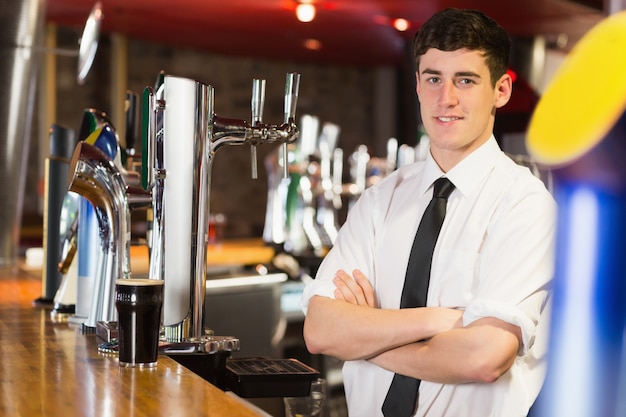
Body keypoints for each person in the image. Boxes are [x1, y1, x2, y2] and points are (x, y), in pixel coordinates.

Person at [300, 8, 556, 417]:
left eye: (466, 81)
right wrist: (440, 320)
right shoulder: (379, 202)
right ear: (418, 84)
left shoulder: (525, 206)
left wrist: (369, 338)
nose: (446, 99)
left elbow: (483, 357)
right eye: (433, 78)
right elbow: (320, 330)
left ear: (502, 90)